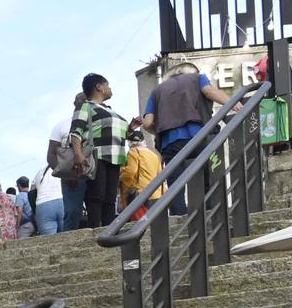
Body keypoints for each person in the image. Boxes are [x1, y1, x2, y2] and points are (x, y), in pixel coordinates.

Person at [140, 61, 229, 213]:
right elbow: (209, 91)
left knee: (176, 184)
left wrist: (161, 131)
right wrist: (234, 104)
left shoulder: (157, 91)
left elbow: (147, 123)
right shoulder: (198, 78)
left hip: (171, 143)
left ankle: (178, 219)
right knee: (208, 177)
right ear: (191, 71)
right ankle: (209, 213)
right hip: (200, 137)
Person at [71, 73, 130, 229]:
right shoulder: (86, 106)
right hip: (97, 155)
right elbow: (75, 131)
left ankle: (109, 229)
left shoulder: (109, 110)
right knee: (96, 195)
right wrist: (78, 154)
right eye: (107, 85)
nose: (110, 89)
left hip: (116, 156)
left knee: (110, 198)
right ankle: (95, 229)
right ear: (99, 87)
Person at [48, 96, 88, 232]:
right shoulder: (61, 126)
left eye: (86, 101)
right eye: (80, 101)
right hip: (72, 175)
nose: (83, 104)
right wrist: (66, 176)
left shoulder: (95, 123)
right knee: (72, 213)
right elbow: (51, 155)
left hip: (93, 172)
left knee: (97, 211)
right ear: (74, 103)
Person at [120, 127, 165, 219]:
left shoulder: (133, 152)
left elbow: (131, 172)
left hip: (140, 194)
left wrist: (121, 178)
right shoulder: (154, 155)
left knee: (139, 222)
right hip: (156, 194)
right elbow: (160, 175)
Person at [33, 156, 66, 235]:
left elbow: (32, 191)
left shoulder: (40, 172)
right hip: (62, 202)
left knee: (48, 241)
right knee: (66, 238)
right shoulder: (66, 168)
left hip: (43, 205)